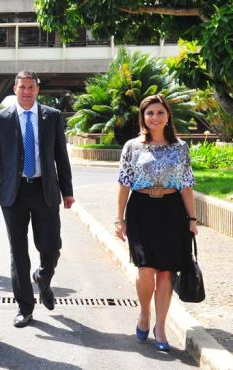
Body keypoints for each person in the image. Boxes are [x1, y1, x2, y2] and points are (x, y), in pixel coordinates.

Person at [0, 70, 74, 328]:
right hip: (14, 194)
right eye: (22, 87)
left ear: (38, 89)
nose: (26, 91)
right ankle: (25, 308)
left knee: (51, 246)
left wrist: (67, 191)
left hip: (44, 190)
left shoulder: (52, 116)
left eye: (31, 87)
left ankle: (43, 277)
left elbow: (61, 156)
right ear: (14, 89)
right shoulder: (0, 119)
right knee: (18, 253)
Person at [115, 94, 198, 352]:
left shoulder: (181, 148)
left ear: (167, 116)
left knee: (166, 272)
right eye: (150, 113)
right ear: (143, 117)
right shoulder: (132, 146)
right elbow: (123, 183)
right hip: (141, 210)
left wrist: (192, 219)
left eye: (160, 112)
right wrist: (119, 219)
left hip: (172, 211)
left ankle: (160, 326)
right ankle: (144, 313)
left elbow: (186, 184)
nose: (155, 117)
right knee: (146, 270)